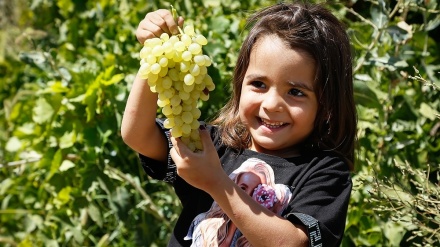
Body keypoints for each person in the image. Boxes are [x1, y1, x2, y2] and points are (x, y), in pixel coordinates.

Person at [121, 2, 357, 247]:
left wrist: (216, 182)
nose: (272, 104)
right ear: (240, 83)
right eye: (259, 84)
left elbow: (293, 243)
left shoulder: (325, 172)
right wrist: (156, 54)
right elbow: (137, 134)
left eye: (296, 92)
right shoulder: (212, 145)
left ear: (327, 105)